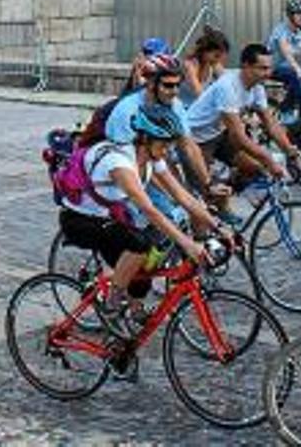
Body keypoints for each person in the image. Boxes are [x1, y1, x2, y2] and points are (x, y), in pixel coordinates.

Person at [60, 104, 226, 329]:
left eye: (170, 144)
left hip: (109, 217)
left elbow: (181, 195)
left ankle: (133, 315)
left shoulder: (151, 157)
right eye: (164, 144)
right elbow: (149, 209)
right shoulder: (118, 162)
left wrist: (217, 226)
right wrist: (187, 244)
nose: (168, 150)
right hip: (79, 220)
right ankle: (112, 304)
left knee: (146, 267)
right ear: (145, 139)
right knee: (139, 244)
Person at [106, 53, 222, 224]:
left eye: (178, 85)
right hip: (127, 169)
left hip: (155, 161)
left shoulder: (174, 105)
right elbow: (136, 163)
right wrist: (172, 195)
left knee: (192, 208)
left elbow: (189, 146)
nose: (175, 91)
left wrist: (208, 183)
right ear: (151, 84)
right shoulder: (126, 110)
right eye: (168, 85)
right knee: (169, 217)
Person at [186, 43, 299, 198]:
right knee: (208, 193)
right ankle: (211, 198)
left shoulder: (257, 87)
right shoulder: (228, 87)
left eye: (269, 68)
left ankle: (228, 187)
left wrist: (291, 151)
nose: (268, 73)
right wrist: (270, 160)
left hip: (218, 134)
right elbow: (238, 137)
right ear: (246, 66)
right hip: (195, 139)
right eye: (263, 68)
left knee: (255, 168)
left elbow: (271, 124)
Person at [267, 0, 301, 118]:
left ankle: (284, 108)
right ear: (290, 16)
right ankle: (289, 111)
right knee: (294, 75)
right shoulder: (281, 30)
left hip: (288, 69)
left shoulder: (298, 33)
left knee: (294, 76)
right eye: (299, 14)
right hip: (272, 68)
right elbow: (286, 52)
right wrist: (298, 69)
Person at [180, 25, 229, 107]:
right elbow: (201, 96)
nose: (218, 60)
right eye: (216, 56)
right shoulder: (190, 65)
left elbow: (228, 86)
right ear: (205, 51)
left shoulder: (214, 65)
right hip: (184, 108)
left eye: (220, 56)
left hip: (198, 108)